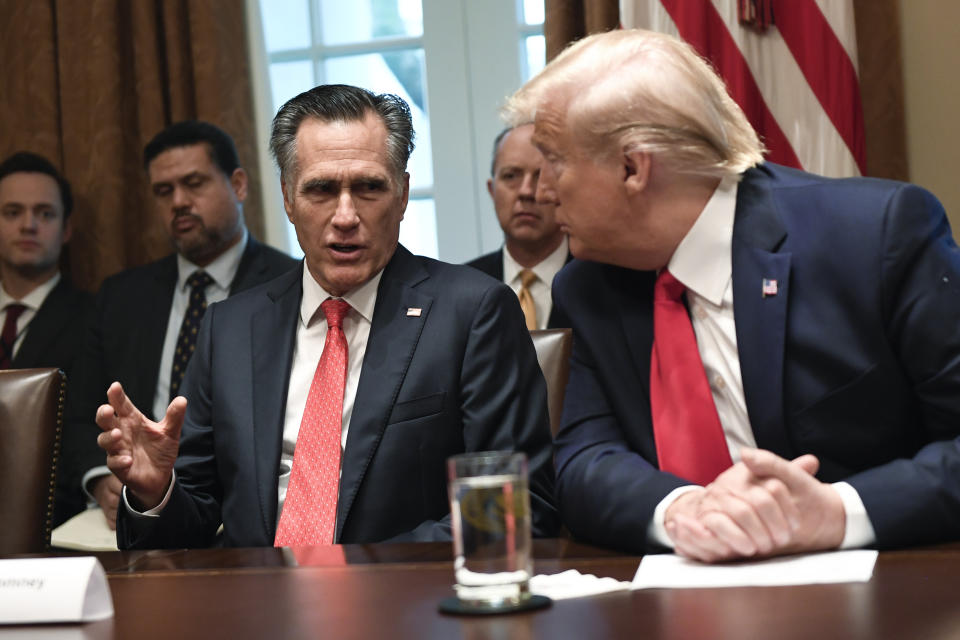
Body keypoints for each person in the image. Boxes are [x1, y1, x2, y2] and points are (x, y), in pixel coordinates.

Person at [504, 28, 960, 562]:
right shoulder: (588, 285)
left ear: (633, 167)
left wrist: (838, 512)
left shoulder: (875, 237)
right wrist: (683, 510)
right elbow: (582, 463)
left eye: (554, 160)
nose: (541, 190)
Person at [96, 84, 558, 548]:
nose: (345, 215)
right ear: (288, 199)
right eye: (320, 189)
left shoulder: (473, 312)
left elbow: (513, 506)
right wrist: (156, 491)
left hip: (399, 603)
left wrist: (349, 575)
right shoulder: (230, 329)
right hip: (255, 602)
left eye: (368, 187)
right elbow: (192, 518)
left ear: (401, 195)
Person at [62, 121, 297, 528]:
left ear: (238, 185)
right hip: (135, 511)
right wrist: (103, 481)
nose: (179, 202)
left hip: (242, 513)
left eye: (194, 183)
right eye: (163, 191)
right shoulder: (121, 296)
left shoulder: (292, 285)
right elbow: (81, 413)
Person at [0, 152, 92, 526]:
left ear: (66, 229)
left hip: (49, 524)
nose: (28, 225)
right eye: (12, 212)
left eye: (45, 213)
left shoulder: (95, 318)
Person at [467, 124, 570, 329]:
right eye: (511, 176)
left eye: (541, 176)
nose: (526, 192)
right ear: (492, 190)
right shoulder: (463, 287)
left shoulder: (602, 284)